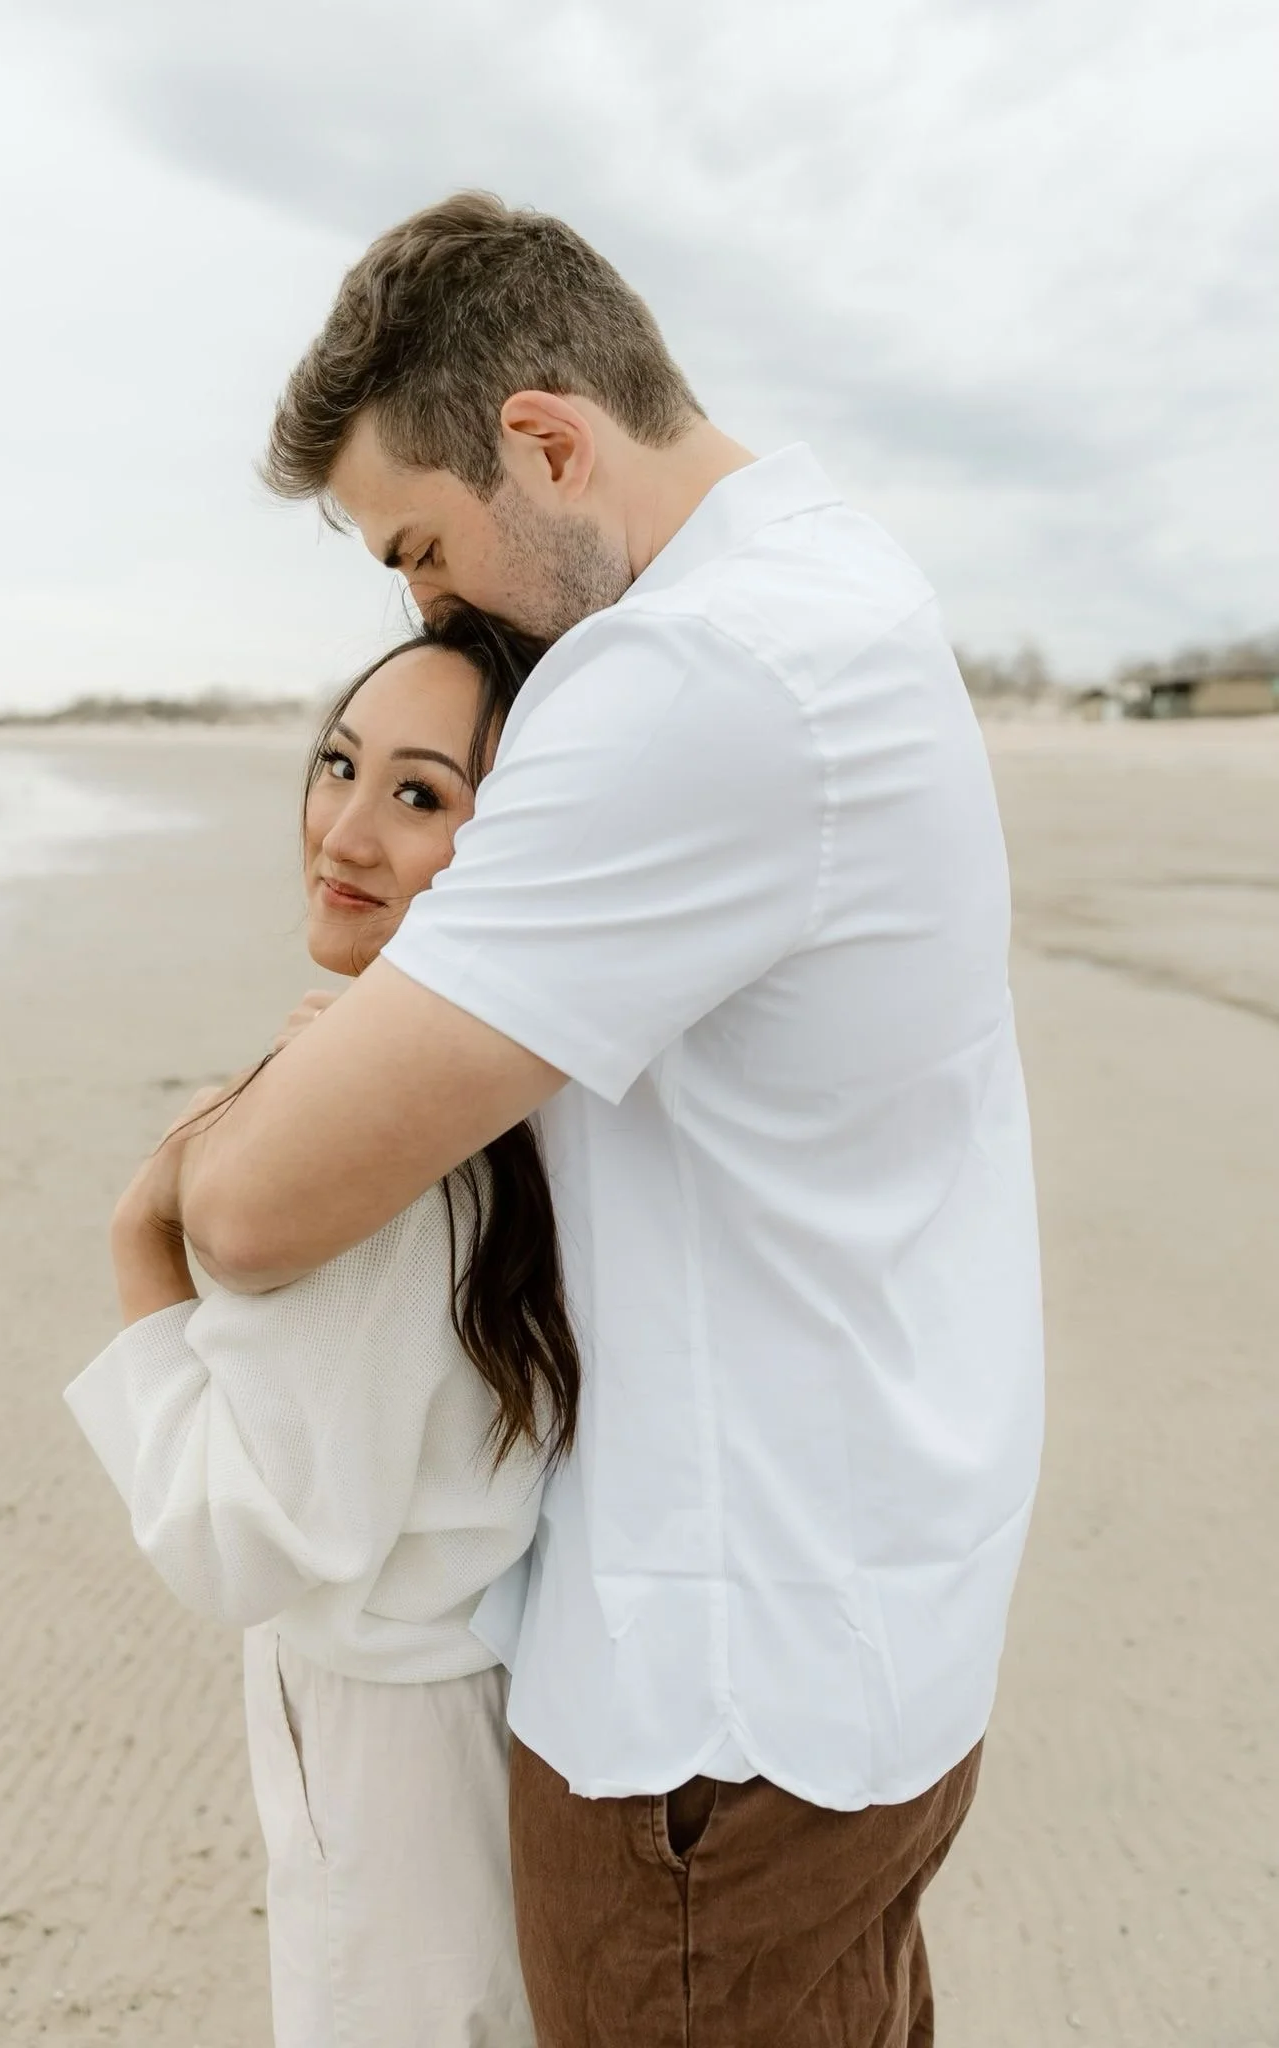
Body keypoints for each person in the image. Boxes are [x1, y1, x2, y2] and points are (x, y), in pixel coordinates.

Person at [160, 193, 1046, 2046]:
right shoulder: (836, 580)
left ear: (546, 439)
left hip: (714, 1709)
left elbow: (253, 1210)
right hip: (866, 1615)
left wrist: (184, 1172)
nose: (421, 608)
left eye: (419, 543)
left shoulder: (692, 676)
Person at [64, 606, 575, 2047]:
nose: (343, 832)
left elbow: (234, 1538)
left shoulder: (387, 1151)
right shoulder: (520, 1076)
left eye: (420, 796)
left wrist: (140, 1246)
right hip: (477, 1688)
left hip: (395, 1730)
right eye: (340, 766)